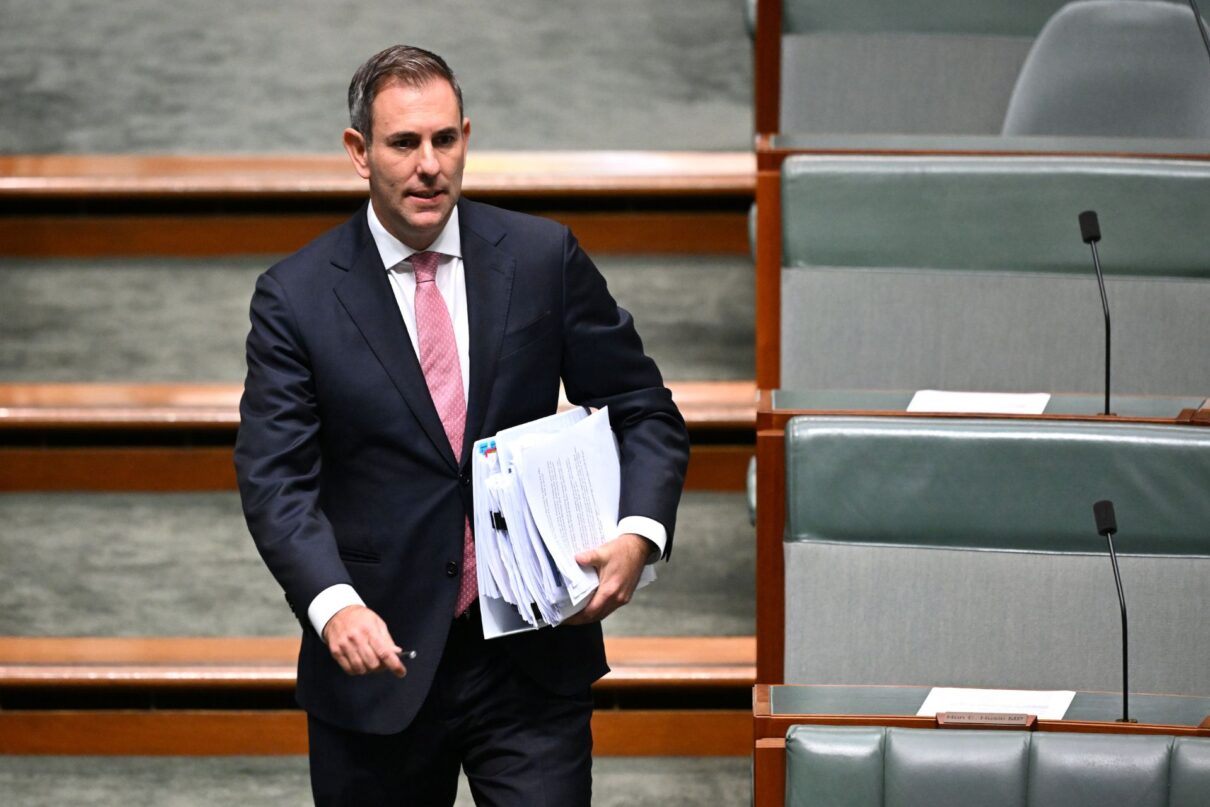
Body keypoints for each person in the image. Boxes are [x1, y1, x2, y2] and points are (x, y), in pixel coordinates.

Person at [234, 44, 689, 806]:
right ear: (359, 151)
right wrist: (331, 604)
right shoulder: (296, 297)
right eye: (404, 143)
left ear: (466, 138)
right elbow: (275, 478)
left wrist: (639, 532)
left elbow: (643, 408)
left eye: (444, 140)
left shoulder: (543, 256)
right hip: (377, 660)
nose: (429, 165)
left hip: (531, 655)